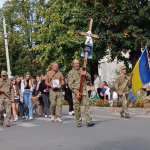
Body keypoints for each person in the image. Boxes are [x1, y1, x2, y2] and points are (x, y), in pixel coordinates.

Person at [67, 59, 95, 127]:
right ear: (72, 64)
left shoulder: (82, 70)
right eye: (75, 63)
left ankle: (88, 121)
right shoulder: (70, 73)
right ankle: (78, 121)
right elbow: (70, 84)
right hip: (75, 93)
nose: (77, 65)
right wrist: (76, 92)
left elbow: (89, 78)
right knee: (77, 108)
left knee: (86, 106)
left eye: (77, 63)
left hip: (84, 91)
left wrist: (86, 74)